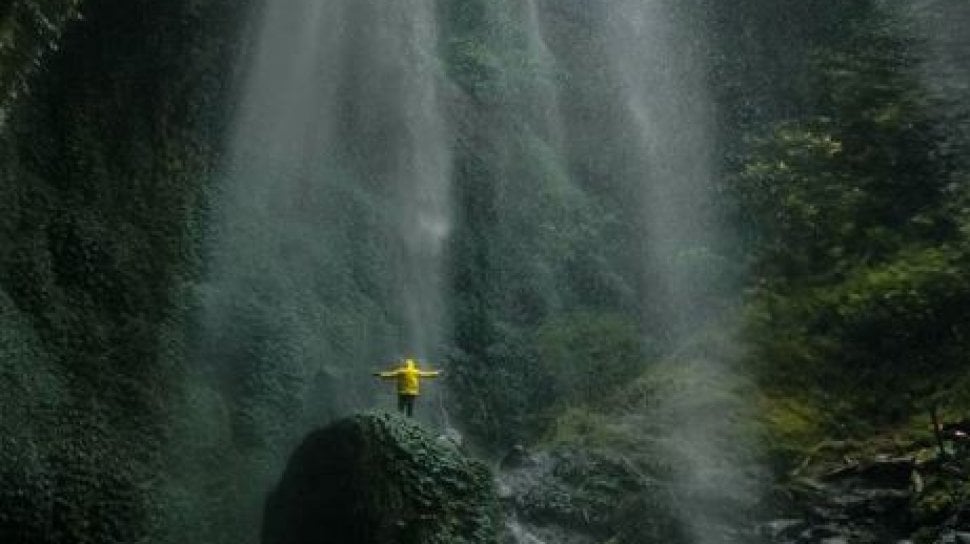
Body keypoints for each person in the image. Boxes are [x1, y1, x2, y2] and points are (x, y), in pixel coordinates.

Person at [373, 357, 441, 417]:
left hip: (402, 392)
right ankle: (409, 420)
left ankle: (400, 420)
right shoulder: (415, 372)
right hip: (412, 393)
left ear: (405, 365)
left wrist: (380, 374)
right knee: (410, 408)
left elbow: (389, 375)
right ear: (413, 365)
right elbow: (427, 374)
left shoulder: (401, 371)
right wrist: (437, 373)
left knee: (401, 407)